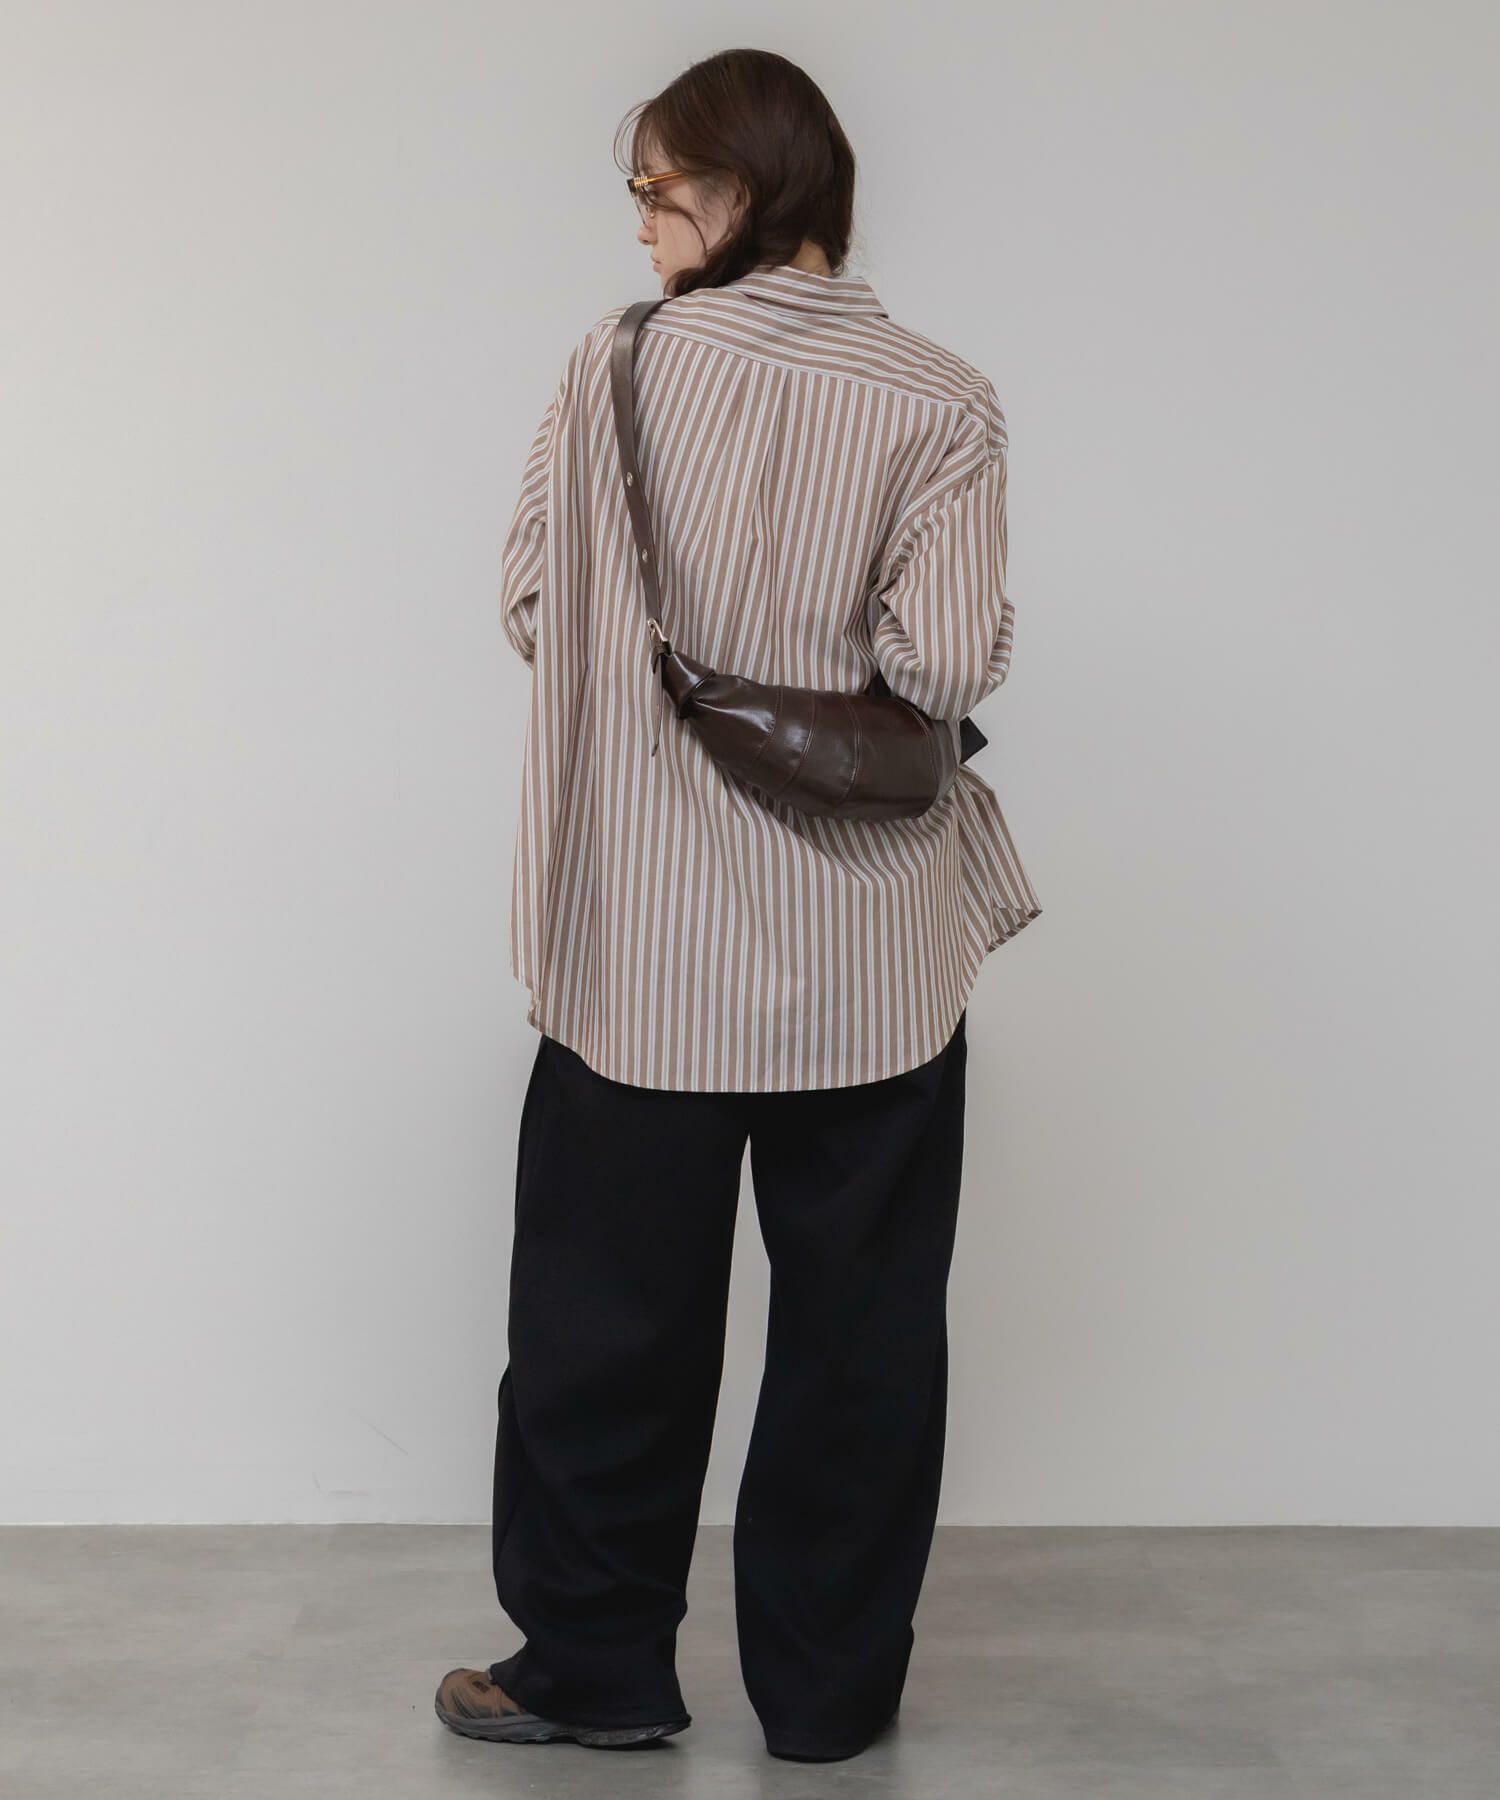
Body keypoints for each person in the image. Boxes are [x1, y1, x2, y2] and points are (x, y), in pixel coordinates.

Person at [435, 46, 1041, 1765]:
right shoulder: (945, 397)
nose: (639, 224)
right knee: (862, 1347)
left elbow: (533, 603)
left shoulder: (618, 365)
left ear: (746, 185)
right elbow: (944, 665)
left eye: (657, 187)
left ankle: (595, 1672)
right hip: (872, 958)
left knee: (599, 1337)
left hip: (640, 949)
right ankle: (830, 1704)